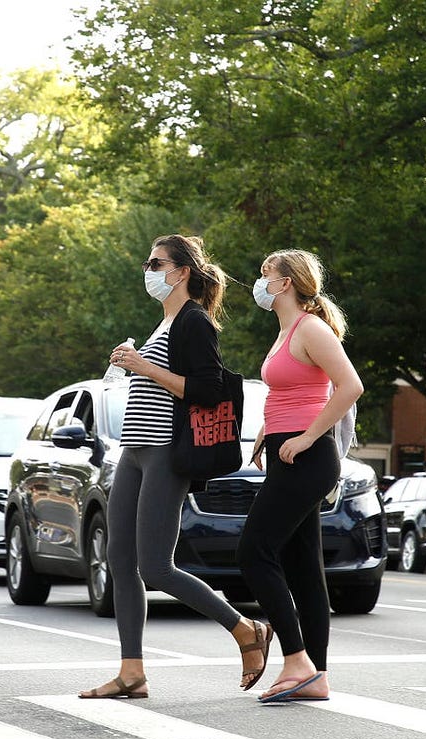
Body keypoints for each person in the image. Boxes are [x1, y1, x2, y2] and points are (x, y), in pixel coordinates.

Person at [78, 234, 273, 699]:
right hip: (134, 451)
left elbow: (206, 390)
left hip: (166, 451)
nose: (148, 270)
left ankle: (245, 628)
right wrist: (134, 363)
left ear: (181, 271)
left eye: (155, 262)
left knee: (155, 568)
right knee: (119, 560)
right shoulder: (163, 322)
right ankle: (132, 672)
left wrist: (143, 366)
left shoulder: (194, 322)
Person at [237, 248, 363, 704]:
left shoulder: (311, 328)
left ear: (286, 282)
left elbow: (350, 386)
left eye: (265, 273)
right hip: (286, 450)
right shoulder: (287, 330)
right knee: (304, 567)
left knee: (253, 552)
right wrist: (264, 434)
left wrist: (308, 437)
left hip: (307, 458)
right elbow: (294, 391)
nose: (260, 281)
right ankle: (318, 676)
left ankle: (296, 660)